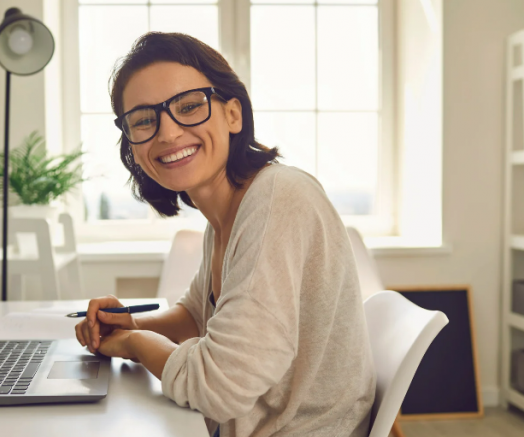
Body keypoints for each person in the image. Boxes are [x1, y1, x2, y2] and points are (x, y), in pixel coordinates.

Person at [74, 32, 375, 437]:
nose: (167, 133)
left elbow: (218, 387)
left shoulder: (276, 199)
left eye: (189, 106)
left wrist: (132, 345)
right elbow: (197, 318)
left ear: (233, 114)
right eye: (145, 119)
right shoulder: (224, 216)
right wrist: (127, 323)